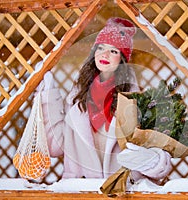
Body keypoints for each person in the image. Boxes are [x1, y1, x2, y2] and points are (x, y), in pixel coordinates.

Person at [37, 17, 172, 184]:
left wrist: (151, 161)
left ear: (122, 59)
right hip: (81, 193)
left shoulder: (135, 103)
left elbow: (162, 166)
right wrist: (49, 97)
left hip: (122, 193)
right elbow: (55, 146)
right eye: (101, 48)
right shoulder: (78, 100)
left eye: (114, 51)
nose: (105, 54)